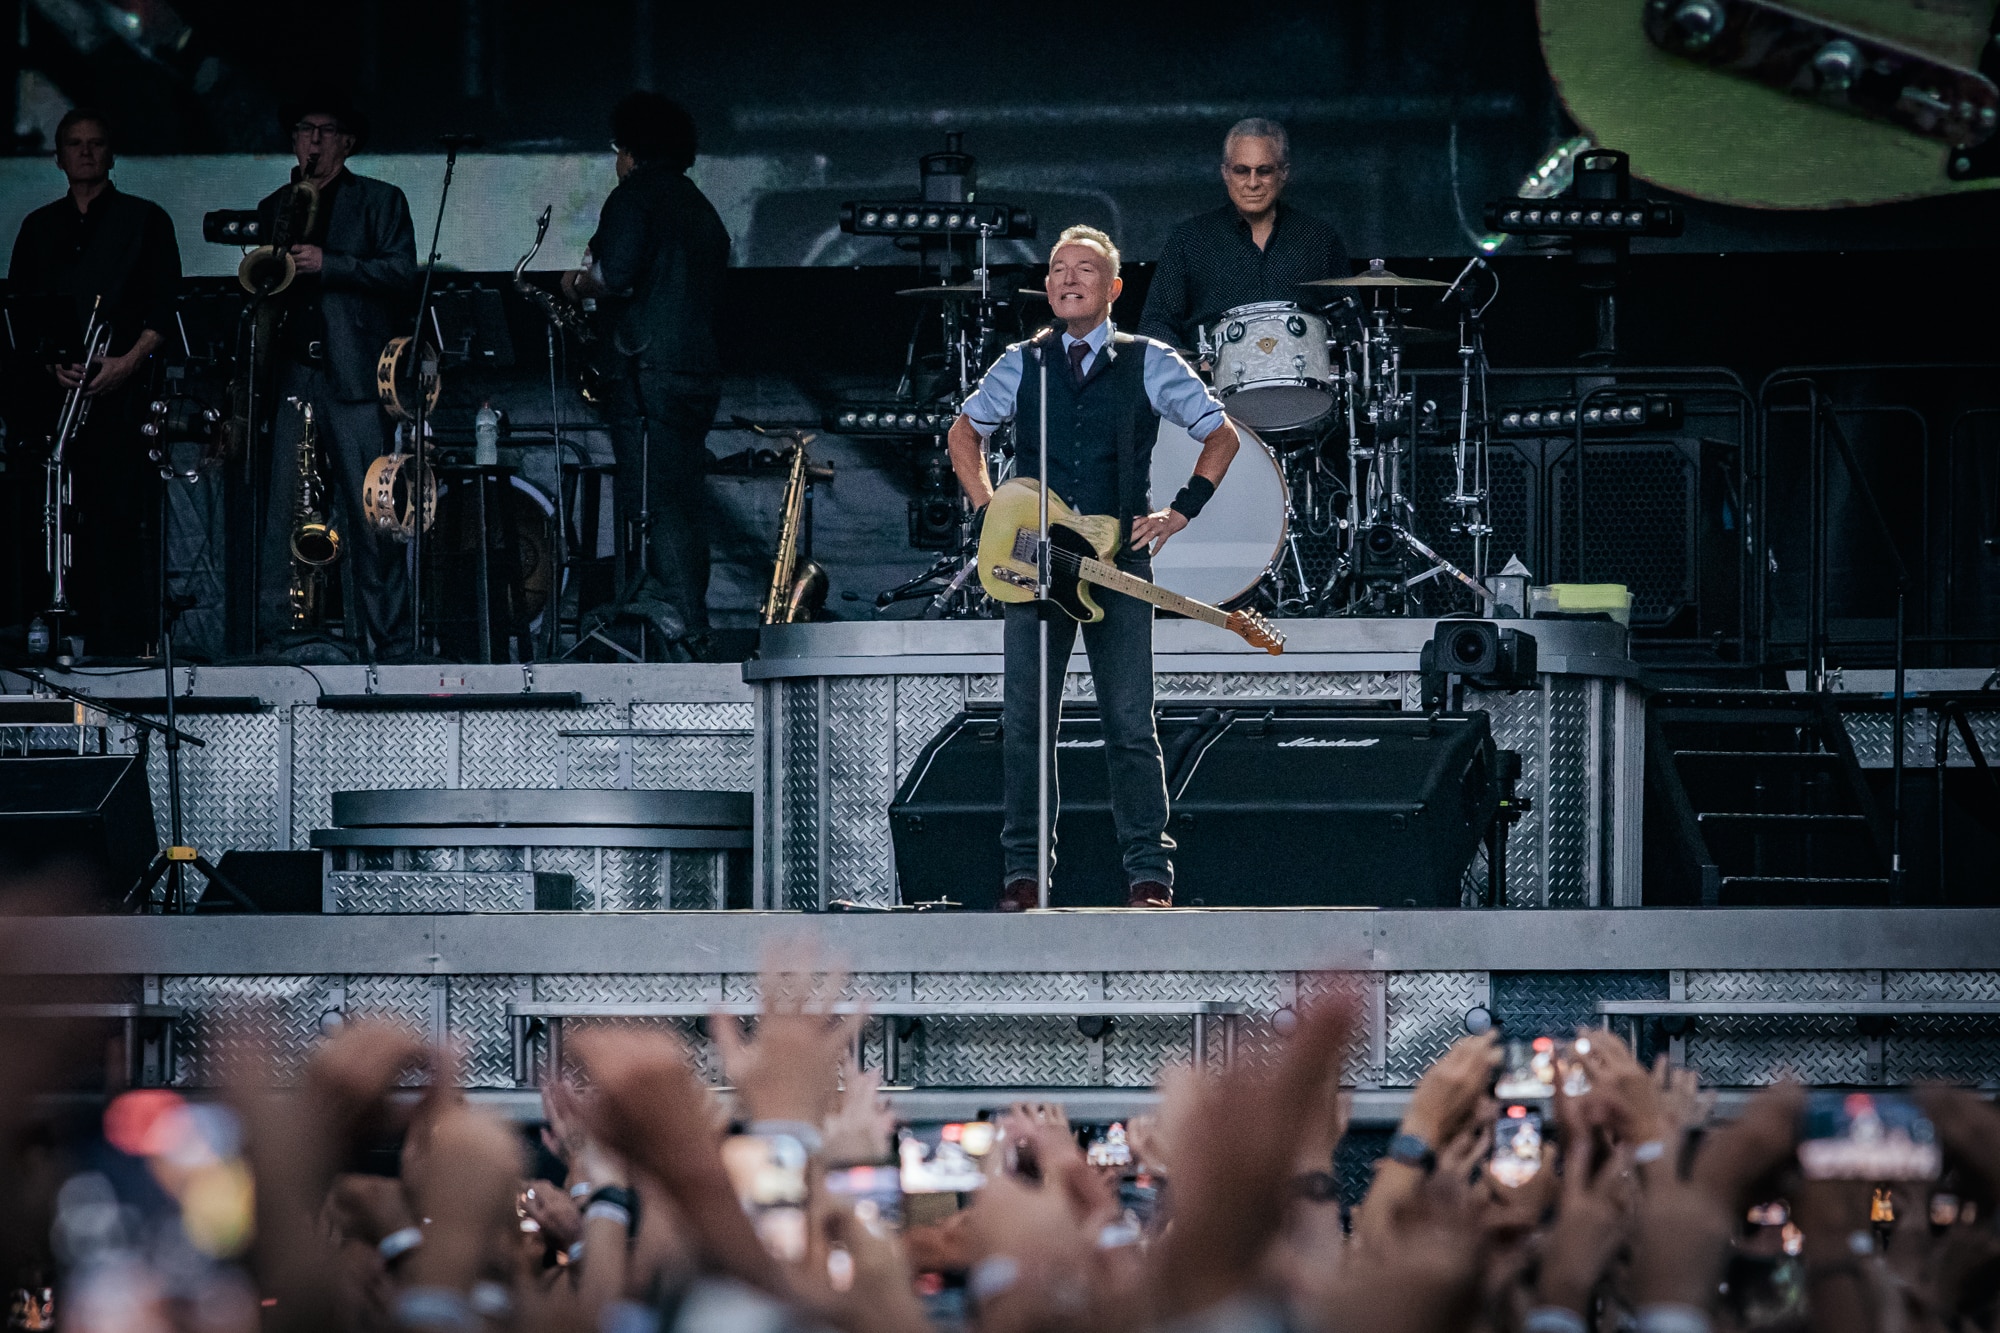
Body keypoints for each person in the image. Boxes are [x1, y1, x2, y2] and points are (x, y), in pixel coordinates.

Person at [947, 225, 1241, 911]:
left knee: (1130, 725)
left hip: (1117, 561)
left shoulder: (1151, 361)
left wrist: (1180, 510)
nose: (1068, 279)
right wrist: (992, 511)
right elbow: (964, 432)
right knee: (1025, 725)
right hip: (1032, 562)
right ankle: (1025, 874)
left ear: (1113, 289)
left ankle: (1149, 875)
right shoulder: (1019, 362)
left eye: (1085, 270)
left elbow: (1220, 433)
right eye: (1057, 269)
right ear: (1046, 286)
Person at [7, 108, 181, 658]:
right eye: (74, 144)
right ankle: (52, 629)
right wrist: (49, 366)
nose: (85, 152)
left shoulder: (146, 220)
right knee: (48, 515)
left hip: (123, 396)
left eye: (96, 143)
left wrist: (128, 363)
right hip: (55, 404)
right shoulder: (38, 227)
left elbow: (165, 307)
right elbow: (23, 314)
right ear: (58, 157)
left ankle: (120, 642)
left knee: (118, 517)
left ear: (111, 153)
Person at [252, 86, 416, 659]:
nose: (314, 140)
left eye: (326, 130)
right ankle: (283, 638)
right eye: (304, 129)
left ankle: (387, 643)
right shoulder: (277, 204)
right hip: (295, 374)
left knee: (373, 515)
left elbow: (400, 273)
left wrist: (332, 264)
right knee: (285, 514)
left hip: (356, 378)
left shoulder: (381, 200)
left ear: (347, 142)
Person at [565, 91, 730, 657]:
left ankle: (687, 630)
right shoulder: (699, 205)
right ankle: (689, 620)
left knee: (656, 503)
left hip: (643, 371)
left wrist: (578, 284)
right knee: (682, 499)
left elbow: (617, 274)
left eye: (618, 151)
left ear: (631, 152)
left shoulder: (633, 197)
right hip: (694, 370)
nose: (616, 162)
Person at [1136, 117, 1352, 352]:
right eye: (1241, 171)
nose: (1252, 183)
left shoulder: (1319, 238)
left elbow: (1352, 325)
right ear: (1225, 173)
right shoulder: (1188, 240)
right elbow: (1156, 325)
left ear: (1284, 173)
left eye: (1264, 171)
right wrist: (1192, 366)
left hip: (1302, 381)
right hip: (1211, 385)